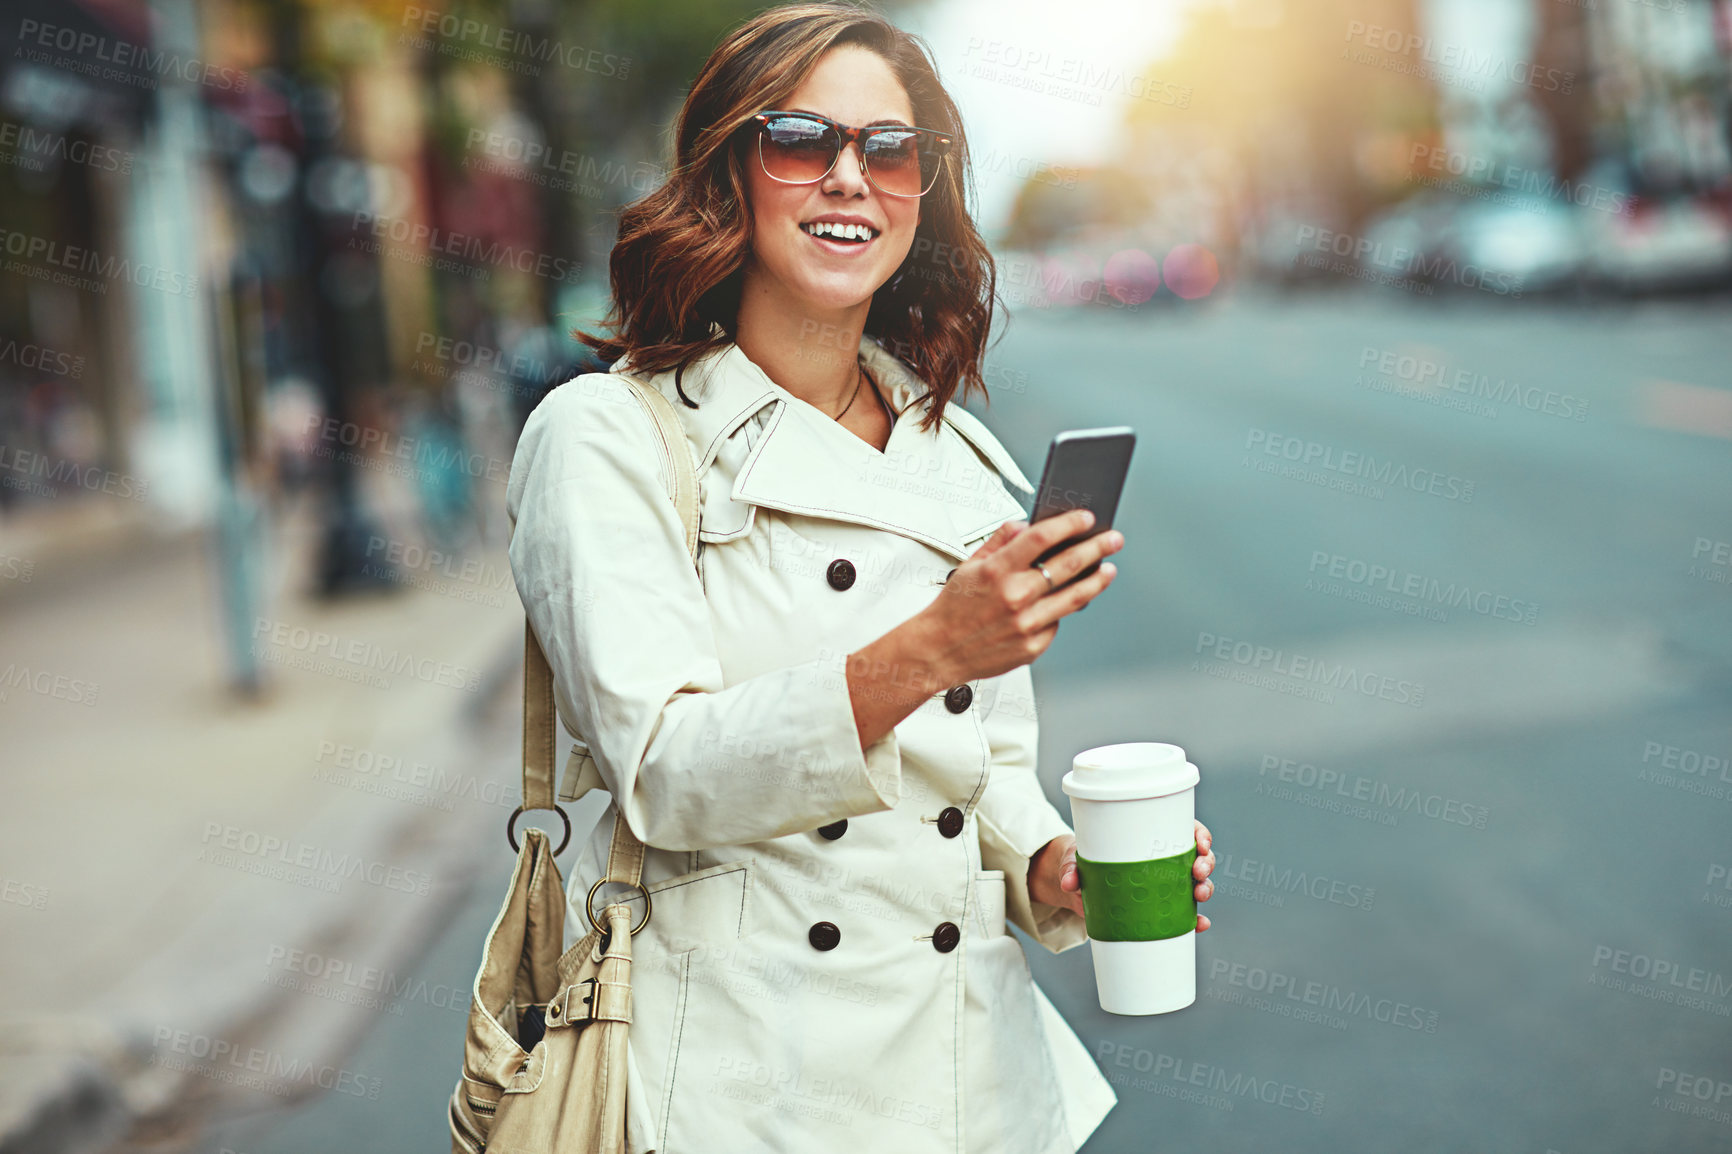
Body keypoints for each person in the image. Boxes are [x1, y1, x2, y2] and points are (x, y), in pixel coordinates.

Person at [504, 5, 1216, 1151]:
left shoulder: (962, 454)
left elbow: (978, 767)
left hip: (968, 1080)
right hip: (744, 1089)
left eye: (891, 152)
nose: (851, 178)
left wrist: (1050, 863)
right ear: (727, 172)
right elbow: (664, 776)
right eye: (802, 140)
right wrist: (933, 646)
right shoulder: (611, 438)